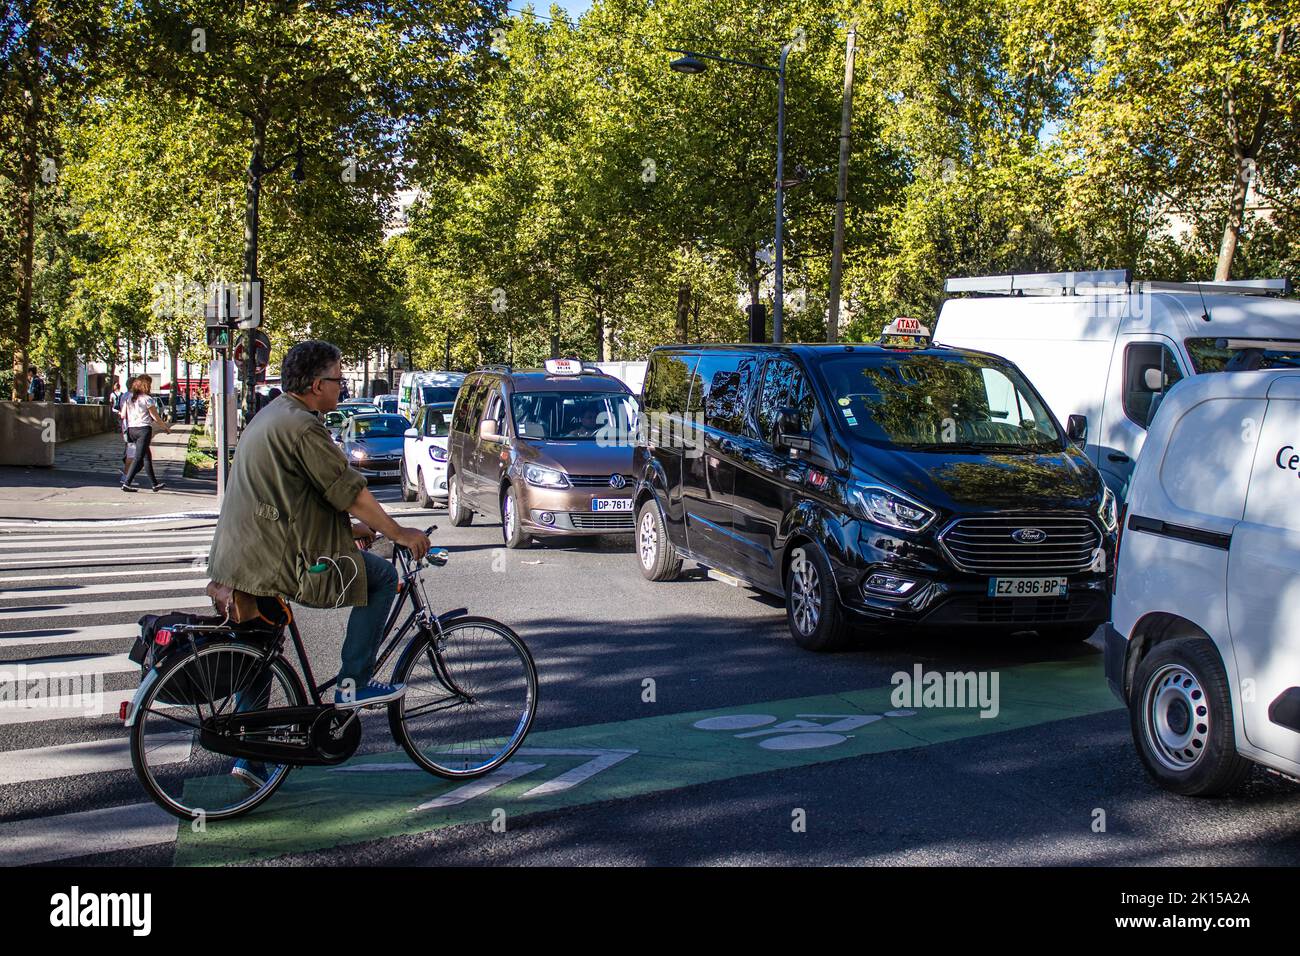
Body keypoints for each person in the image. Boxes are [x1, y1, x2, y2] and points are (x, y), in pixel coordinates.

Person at [206, 340, 430, 737]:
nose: (341, 388)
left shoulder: (274, 413)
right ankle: (353, 684)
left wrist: (351, 529)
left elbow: (298, 496)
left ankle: (252, 761)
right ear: (314, 384)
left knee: (260, 648)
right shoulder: (303, 427)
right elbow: (348, 489)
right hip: (272, 556)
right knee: (379, 578)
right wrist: (398, 532)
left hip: (238, 555)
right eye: (337, 380)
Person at [120, 374, 171, 492]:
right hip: (143, 430)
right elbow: (155, 416)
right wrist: (165, 428)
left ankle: (155, 484)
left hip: (132, 429)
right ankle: (127, 482)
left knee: (147, 457)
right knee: (138, 458)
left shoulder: (129, 398)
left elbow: (123, 415)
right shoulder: (147, 399)